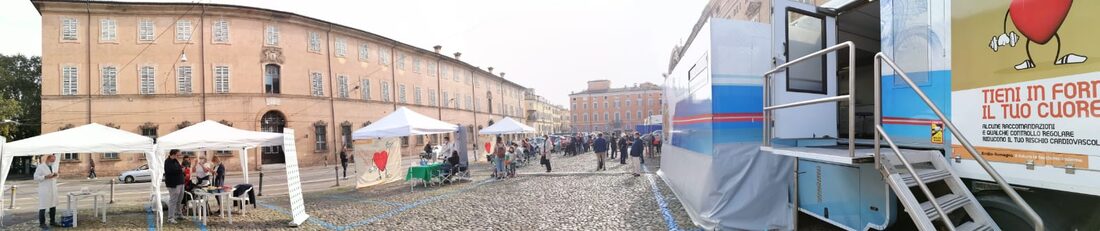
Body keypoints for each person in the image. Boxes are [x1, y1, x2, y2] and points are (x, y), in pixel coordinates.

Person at [35, 154, 60, 229]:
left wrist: (56, 175)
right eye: (52, 160)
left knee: (53, 205)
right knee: (43, 206)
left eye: (54, 160)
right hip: (44, 189)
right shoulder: (40, 167)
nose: (53, 162)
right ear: (48, 159)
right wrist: (45, 177)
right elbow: (35, 177)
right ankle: (42, 223)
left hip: (52, 188)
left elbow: (56, 175)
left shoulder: (53, 166)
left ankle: (52, 221)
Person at [163, 149, 186, 223]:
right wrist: (181, 170)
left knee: (179, 200)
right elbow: (170, 171)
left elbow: (178, 168)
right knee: (173, 201)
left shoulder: (175, 160)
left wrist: (182, 169)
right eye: (177, 154)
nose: (179, 156)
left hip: (180, 182)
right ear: (173, 154)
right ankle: (170, 218)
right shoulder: (167, 162)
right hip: (173, 184)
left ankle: (179, 214)